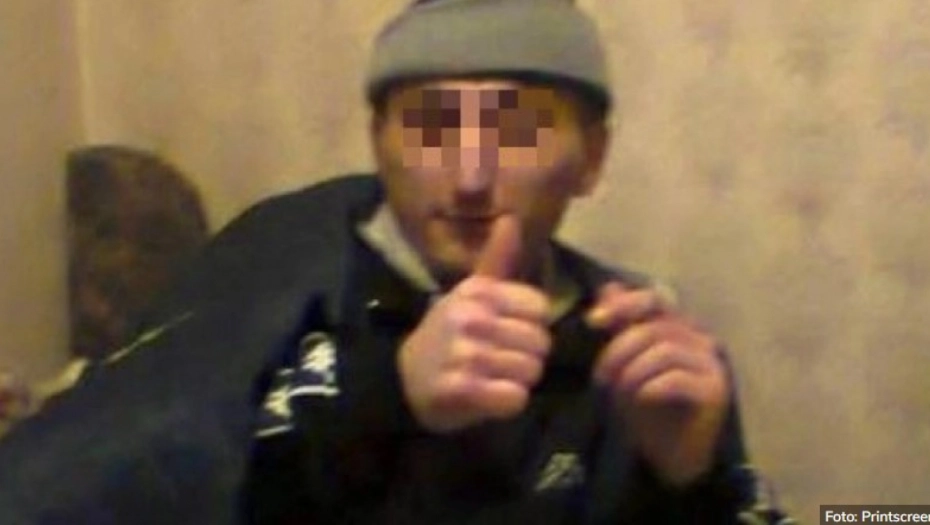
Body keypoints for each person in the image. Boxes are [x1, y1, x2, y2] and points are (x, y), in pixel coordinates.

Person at [0, 0, 794, 523]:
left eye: (519, 130)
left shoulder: (634, 343)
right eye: (431, 127)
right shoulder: (300, 302)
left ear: (591, 158)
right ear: (378, 143)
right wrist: (388, 405)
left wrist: (689, 477)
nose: (472, 175)